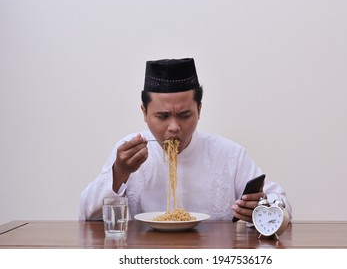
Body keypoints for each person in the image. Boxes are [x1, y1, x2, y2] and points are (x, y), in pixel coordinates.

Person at [79, 58, 292, 223]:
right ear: (144, 112)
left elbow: (282, 204)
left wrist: (262, 206)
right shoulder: (128, 151)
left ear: (199, 110)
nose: (174, 127)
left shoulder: (229, 155)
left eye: (184, 115)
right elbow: (86, 214)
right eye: (162, 116)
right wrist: (119, 173)